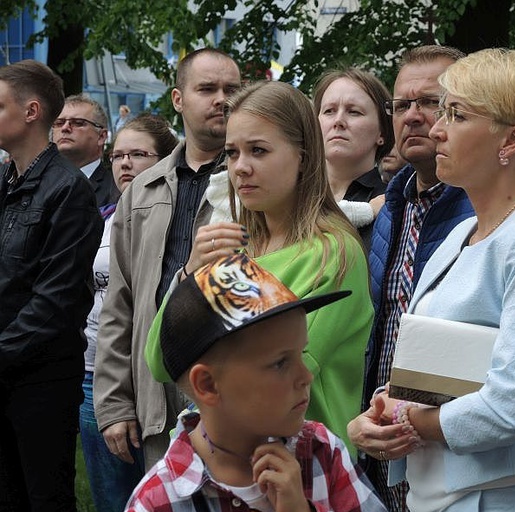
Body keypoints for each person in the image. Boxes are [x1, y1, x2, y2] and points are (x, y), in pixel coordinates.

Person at [351, 48, 515, 512]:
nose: (436, 128)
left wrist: (407, 420)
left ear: (511, 139)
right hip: (439, 501)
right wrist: (377, 414)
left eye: (455, 114)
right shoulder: (461, 233)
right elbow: (430, 366)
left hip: (504, 505)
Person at [145, 81, 374, 459]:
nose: (241, 167)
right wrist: (189, 272)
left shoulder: (331, 253)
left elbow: (273, 384)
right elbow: (160, 361)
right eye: (232, 153)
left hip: (300, 470)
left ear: (303, 155)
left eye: (258, 150)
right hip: (223, 464)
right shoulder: (234, 247)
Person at [124, 253, 391, 512]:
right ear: (207, 385)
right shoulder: (158, 505)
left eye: (301, 354)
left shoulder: (322, 451)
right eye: (280, 363)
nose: (306, 376)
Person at [94, 48, 242, 469]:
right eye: (207, 88)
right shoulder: (142, 189)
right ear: (178, 99)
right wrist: (115, 404)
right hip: (154, 392)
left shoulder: (252, 181)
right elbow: (119, 305)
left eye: (231, 89)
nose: (221, 99)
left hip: (230, 391)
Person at [0, 60, 103, 512]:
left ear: (30, 111)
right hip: (6, 369)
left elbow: (55, 301)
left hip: (40, 381)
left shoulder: (68, 190)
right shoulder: (6, 180)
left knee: (45, 502)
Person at [81, 114, 179, 512]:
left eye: (138, 154)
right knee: (112, 502)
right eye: (117, 155)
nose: (124, 164)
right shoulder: (103, 216)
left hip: (154, 377)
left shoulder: (175, 215)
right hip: (94, 376)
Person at [313, 67, 395, 248]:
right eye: (329, 111)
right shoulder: (289, 192)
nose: (338, 121)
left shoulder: (392, 203)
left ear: (382, 131)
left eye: (354, 112)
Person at [53, 93, 119, 206]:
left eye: (78, 123)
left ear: (101, 136)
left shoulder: (116, 191)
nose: (65, 128)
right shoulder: (37, 182)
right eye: (59, 123)